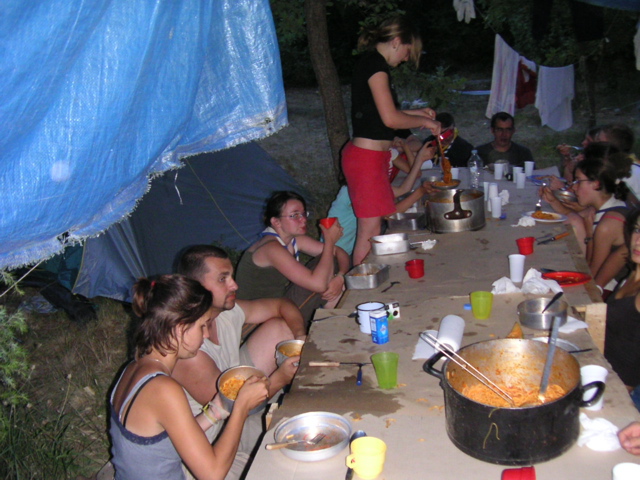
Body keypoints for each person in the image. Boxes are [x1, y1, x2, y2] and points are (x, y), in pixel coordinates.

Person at [109, 274, 269, 480]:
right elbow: (212, 474)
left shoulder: (133, 368)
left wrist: (214, 412)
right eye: (202, 326)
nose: (206, 334)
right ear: (180, 329)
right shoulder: (163, 389)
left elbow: (164, 439)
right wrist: (241, 407)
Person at [172, 245, 305, 479]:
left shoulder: (224, 312)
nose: (234, 285)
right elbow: (235, 405)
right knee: (295, 450)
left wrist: (300, 337)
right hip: (215, 439)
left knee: (280, 328)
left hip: (238, 407)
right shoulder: (187, 349)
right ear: (194, 287)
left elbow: (281, 305)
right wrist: (280, 378)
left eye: (231, 276)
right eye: (222, 279)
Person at [342, 16, 441, 265]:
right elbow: (390, 119)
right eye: (408, 51)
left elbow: (378, 113)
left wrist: (418, 113)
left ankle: (366, 279)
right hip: (365, 158)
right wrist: (424, 121)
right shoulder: (375, 67)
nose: (406, 58)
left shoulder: (374, 65)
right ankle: (361, 285)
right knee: (369, 232)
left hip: (372, 157)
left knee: (373, 229)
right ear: (397, 41)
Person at [234, 191, 350, 326]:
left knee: (328, 264)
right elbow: (318, 284)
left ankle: (340, 323)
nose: (303, 220)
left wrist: (340, 277)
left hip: (279, 305)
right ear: (276, 222)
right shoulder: (270, 248)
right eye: (295, 215)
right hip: (257, 321)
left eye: (303, 214)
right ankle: (339, 324)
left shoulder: (294, 240)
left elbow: (340, 253)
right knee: (322, 275)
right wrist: (329, 241)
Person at [546, 143, 632, 292]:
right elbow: (571, 214)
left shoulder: (608, 224)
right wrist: (553, 201)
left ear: (596, 184)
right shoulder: (608, 206)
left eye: (578, 181)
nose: (573, 187)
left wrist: (589, 233)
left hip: (610, 290)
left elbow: (591, 272)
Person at [604, 208, 640, 412]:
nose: (638, 241)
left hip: (622, 395)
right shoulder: (633, 274)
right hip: (605, 369)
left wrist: (620, 395)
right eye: (637, 230)